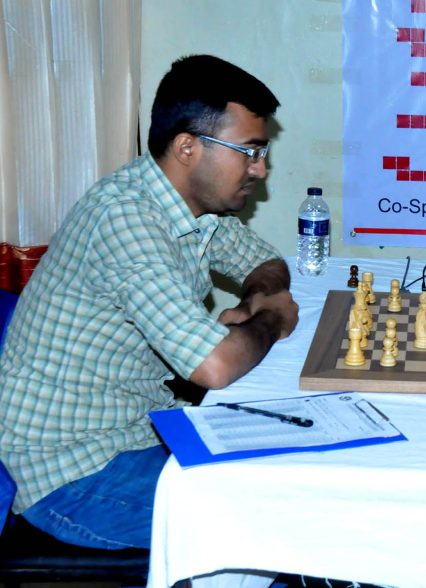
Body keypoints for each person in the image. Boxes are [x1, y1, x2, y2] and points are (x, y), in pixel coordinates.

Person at [0, 54, 299, 550]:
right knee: (265, 515)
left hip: (138, 432)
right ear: (188, 148)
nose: (261, 170)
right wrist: (270, 316)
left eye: (262, 151)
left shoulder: (189, 206)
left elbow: (264, 261)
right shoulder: (127, 218)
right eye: (248, 152)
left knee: (287, 468)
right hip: (72, 474)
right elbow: (216, 365)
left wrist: (257, 298)